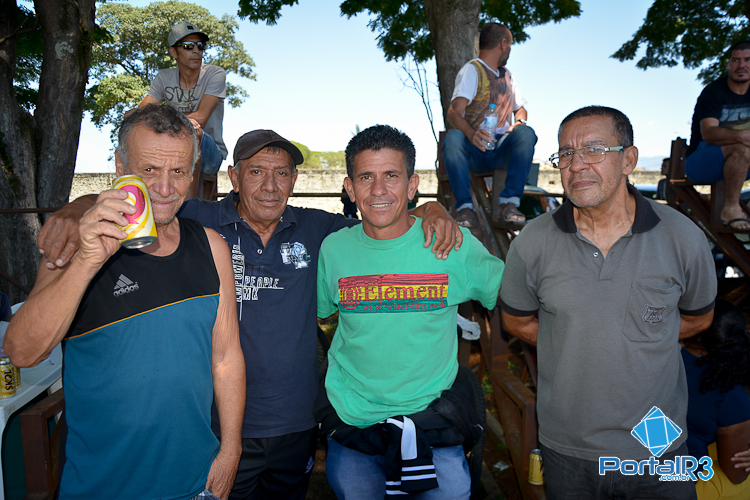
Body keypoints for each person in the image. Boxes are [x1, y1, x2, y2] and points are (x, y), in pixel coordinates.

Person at [36, 129, 462, 500]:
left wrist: (430, 209)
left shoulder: (320, 231)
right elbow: (138, 199)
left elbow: (383, 219)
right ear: (234, 177)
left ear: (294, 181)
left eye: (282, 173)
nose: (270, 186)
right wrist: (77, 208)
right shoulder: (198, 219)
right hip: (218, 424)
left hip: (295, 421)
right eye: (256, 171)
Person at [3, 104, 245, 500]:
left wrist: (231, 450)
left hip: (195, 482)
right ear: (121, 166)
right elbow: (22, 352)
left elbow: (226, 358)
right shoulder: (79, 243)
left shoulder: (212, 246)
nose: (164, 188)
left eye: (178, 171)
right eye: (149, 169)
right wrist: (87, 260)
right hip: (101, 486)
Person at [500, 105, 717, 499]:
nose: (576, 164)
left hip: (658, 444)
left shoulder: (682, 237)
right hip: (568, 446)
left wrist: (641, 337)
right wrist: (573, 339)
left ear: (629, 160)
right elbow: (516, 322)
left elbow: (700, 318)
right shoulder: (532, 243)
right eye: (566, 153)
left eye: (594, 150)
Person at [316, 125, 505, 499]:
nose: (378, 190)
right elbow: (322, 312)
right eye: (365, 177)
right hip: (353, 415)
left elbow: (514, 298)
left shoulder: (452, 244)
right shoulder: (333, 250)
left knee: (453, 492)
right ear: (350, 188)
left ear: (412, 185)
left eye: (391, 175)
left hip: (431, 415)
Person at [443, 22, 537, 228]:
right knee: (453, 137)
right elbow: (453, 112)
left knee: (526, 133)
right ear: (503, 44)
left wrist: (519, 122)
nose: (510, 50)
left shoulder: (507, 74)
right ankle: (465, 207)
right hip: (475, 150)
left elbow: (520, 109)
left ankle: (509, 204)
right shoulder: (472, 70)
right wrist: (471, 134)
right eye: (510, 45)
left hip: (501, 147)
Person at [138, 21, 227, 186]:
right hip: (171, 149)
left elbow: (201, 117)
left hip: (209, 153)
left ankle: (189, 202)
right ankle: (133, 197)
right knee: (134, 134)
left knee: (193, 131)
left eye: (200, 46)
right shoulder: (163, 77)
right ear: (173, 52)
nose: (196, 50)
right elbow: (137, 115)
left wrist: (161, 120)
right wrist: (172, 120)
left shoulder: (215, 74)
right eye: (188, 46)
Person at [682, 300, 750, 499]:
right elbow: (737, 474)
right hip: (676, 483)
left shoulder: (660, 358)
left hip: (628, 460)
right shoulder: (730, 395)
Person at [685, 40, 750, 231]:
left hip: (743, 164)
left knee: (743, 150)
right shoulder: (713, 92)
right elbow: (709, 133)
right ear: (728, 64)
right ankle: (730, 208)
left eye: (747, 60)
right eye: (736, 60)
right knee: (741, 149)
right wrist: (743, 136)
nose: (741, 65)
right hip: (702, 162)